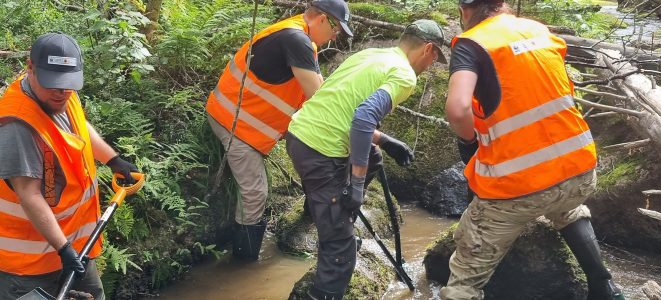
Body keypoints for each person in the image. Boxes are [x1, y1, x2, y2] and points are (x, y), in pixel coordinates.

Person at [441, 1, 625, 299]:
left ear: (464, 10)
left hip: (519, 188)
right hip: (579, 172)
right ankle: (605, 287)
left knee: (465, 276)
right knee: (567, 208)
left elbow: (458, 109)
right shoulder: (537, 30)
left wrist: (468, 142)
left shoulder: (471, 44)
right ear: (502, 3)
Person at [285, 19, 447, 299]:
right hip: (320, 150)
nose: (432, 64)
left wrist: (385, 141)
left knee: (372, 157)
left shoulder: (371, 54)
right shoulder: (404, 75)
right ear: (428, 49)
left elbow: (343, 106)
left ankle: (326, 214)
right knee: (341, 251)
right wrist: (357, 184)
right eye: (435, 58)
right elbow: (362, 118)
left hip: (299, 133)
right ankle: (333, 234)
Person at [205, 0, 352, 261]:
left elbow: (313, 94)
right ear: (322, 19)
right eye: (337, 28)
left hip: (244, 122)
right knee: (255, 193)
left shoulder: (300, 38)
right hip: (234, 123)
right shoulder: (296, 39)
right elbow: (318, 98)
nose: (336, 35)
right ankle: (244, 264)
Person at [0, 32, 139, 300]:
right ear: (30, 68)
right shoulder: (17, 126)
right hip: (29, 266)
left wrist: (112, 159)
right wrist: (62, 248)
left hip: (76, 249)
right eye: (54, 84)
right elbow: (29, 195)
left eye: (68, 84)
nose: (61, 92)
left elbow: (79, 126)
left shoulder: (60, 92)